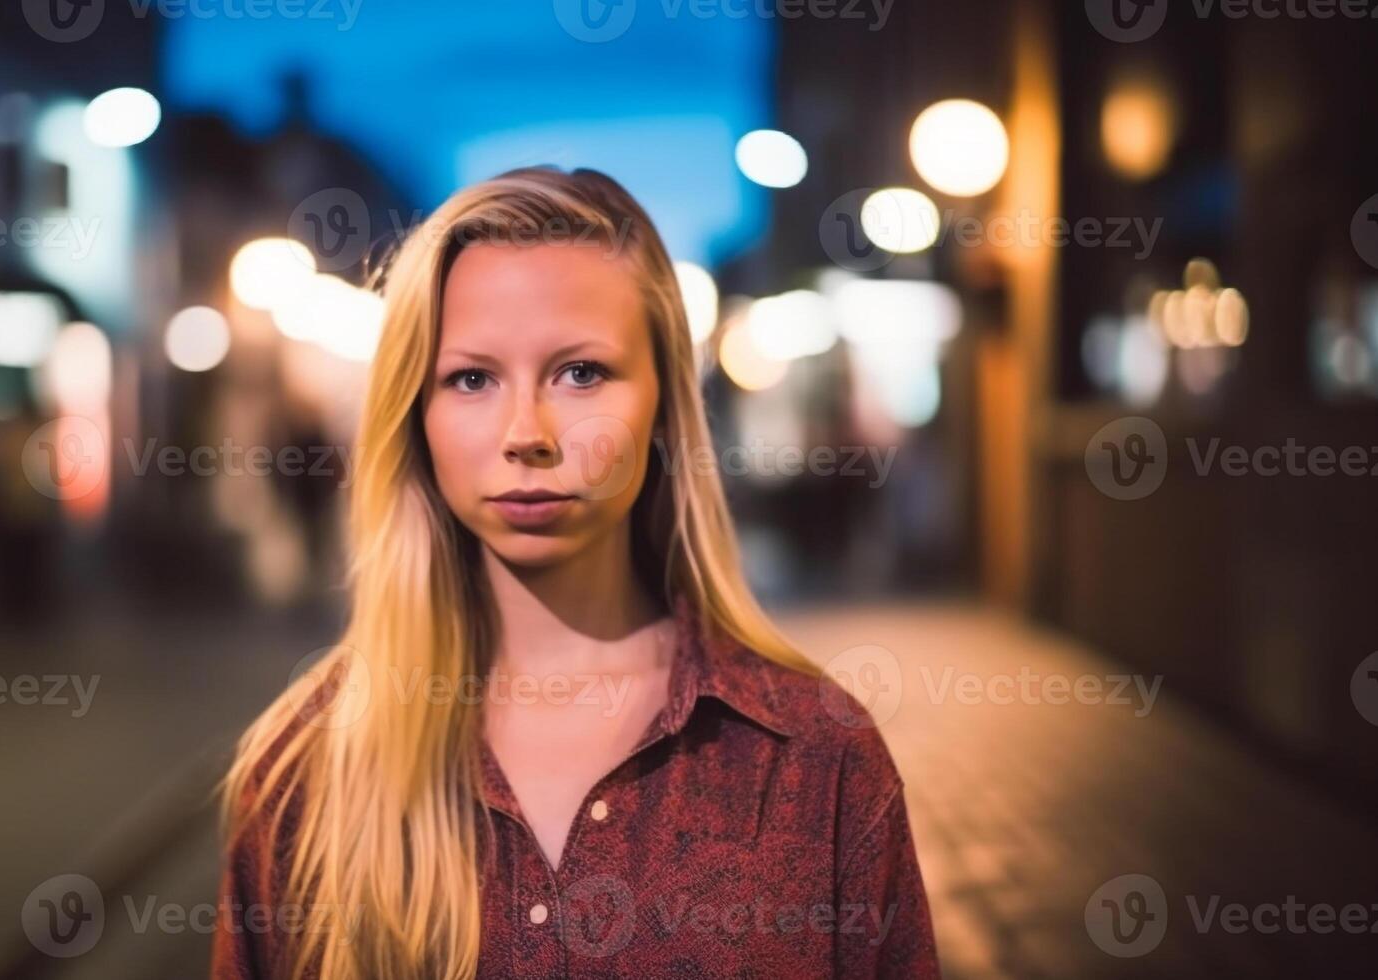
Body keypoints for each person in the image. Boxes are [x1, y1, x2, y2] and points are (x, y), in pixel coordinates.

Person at [212, 166, 939, 979]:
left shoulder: (813, 758)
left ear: (664, 403)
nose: (527, 432)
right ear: (416, 414)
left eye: (581, 373)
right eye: (472, 378)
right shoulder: (305, 768)